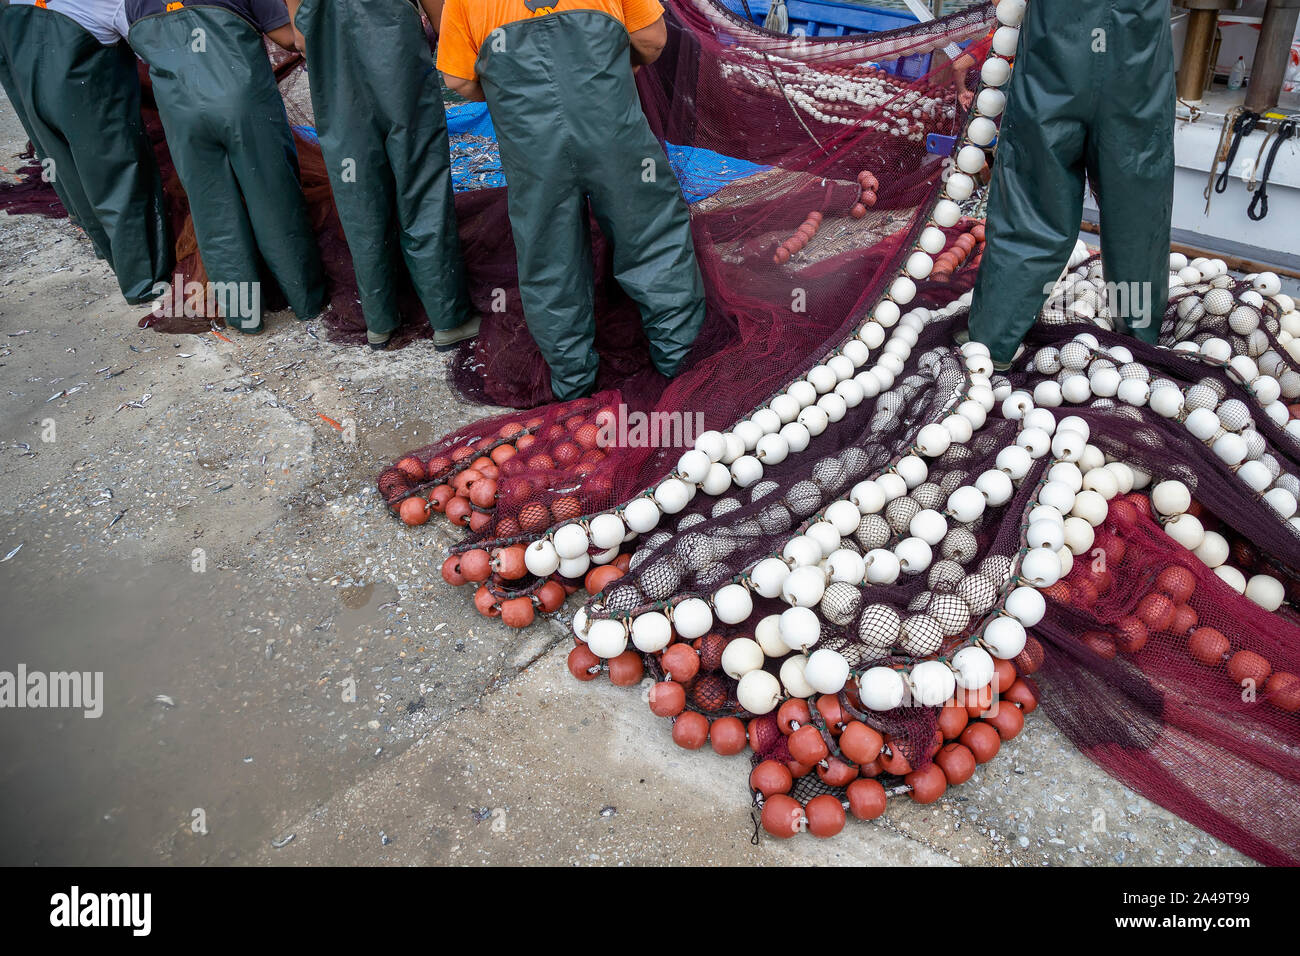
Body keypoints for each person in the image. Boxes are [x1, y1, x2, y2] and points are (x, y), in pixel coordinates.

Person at [437, 0, 706, 402]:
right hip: (612, 130)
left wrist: (509, 89)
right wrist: (611, 70)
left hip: (532, 147)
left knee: (549, 258)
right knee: (652, 236)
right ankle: (683, 366)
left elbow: (457, 79)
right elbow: (651, 39)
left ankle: (573, 386)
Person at [966, 0, 1174, 365]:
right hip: (1134, 59)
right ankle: (1138, 339)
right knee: (1136, 212)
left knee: (1034, 202)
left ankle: (993, 346)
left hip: (1056, 52)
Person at [124, 0, 326, 333]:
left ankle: (244, 316)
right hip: (243, 104)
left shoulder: (135, 3)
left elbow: (146, 52)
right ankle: (306, 300)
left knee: (212, 211)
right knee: (273, 196)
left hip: (181, 113)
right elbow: (290, 39)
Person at [285, 0, 476, 350]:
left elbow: (299, 38)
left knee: (358, 190)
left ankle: (380, 321)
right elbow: (440, 16)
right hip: (398, 65)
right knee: (421, 181)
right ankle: (448, 319)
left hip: (338, 75)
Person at [0, 0, 171, 305]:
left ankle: (107, 251)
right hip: (90, 91)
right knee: (120, 178)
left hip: (33, 88)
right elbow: (161, 48)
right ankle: (141, 280)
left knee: (71, 174)